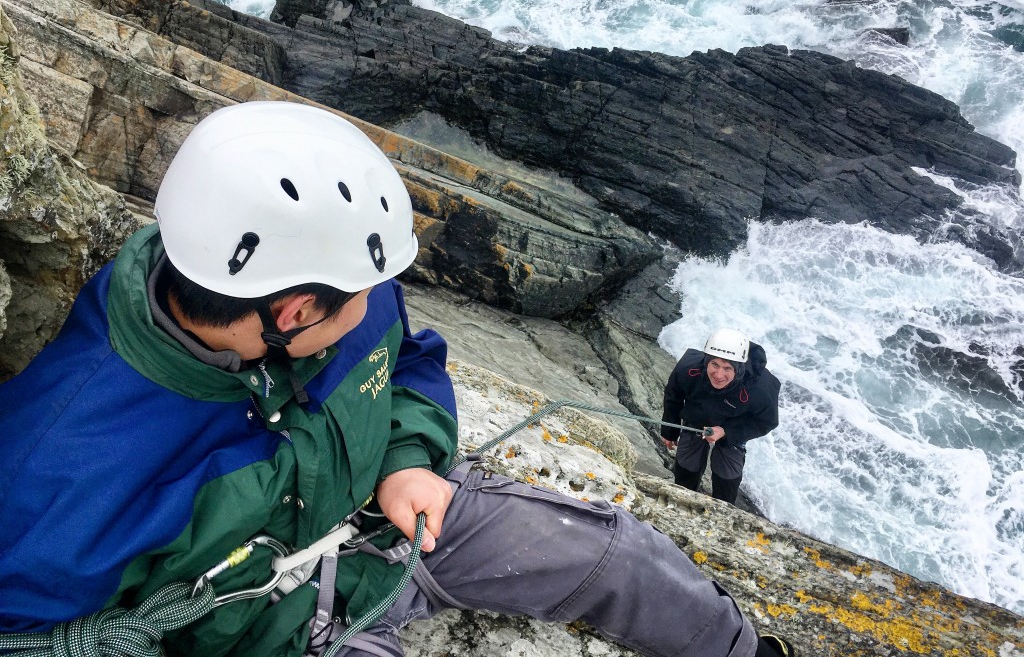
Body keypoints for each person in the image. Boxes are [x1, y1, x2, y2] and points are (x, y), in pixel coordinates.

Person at [0, 101, 795, 657]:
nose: (381, 301)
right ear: (294, 312)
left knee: (621, 559)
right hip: (272, 635)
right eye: (362, 296)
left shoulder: (316, 289)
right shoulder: (55, 467)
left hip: (396, 525)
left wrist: (410, 458)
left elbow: (408, 357)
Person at [661, 328, 781, 505]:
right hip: (697, 417)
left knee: (727, 472)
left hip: (734, 423)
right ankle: (683, 502)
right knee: (688, 462)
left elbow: (767, 421)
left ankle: (723, 510)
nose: (718, 375)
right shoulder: (688, 369)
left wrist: (726, 432)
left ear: (738, 369)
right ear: (706, 361)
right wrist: (670, 431)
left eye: (727, 368)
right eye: (714, 365)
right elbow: (673, 396)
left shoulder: (761, 389)